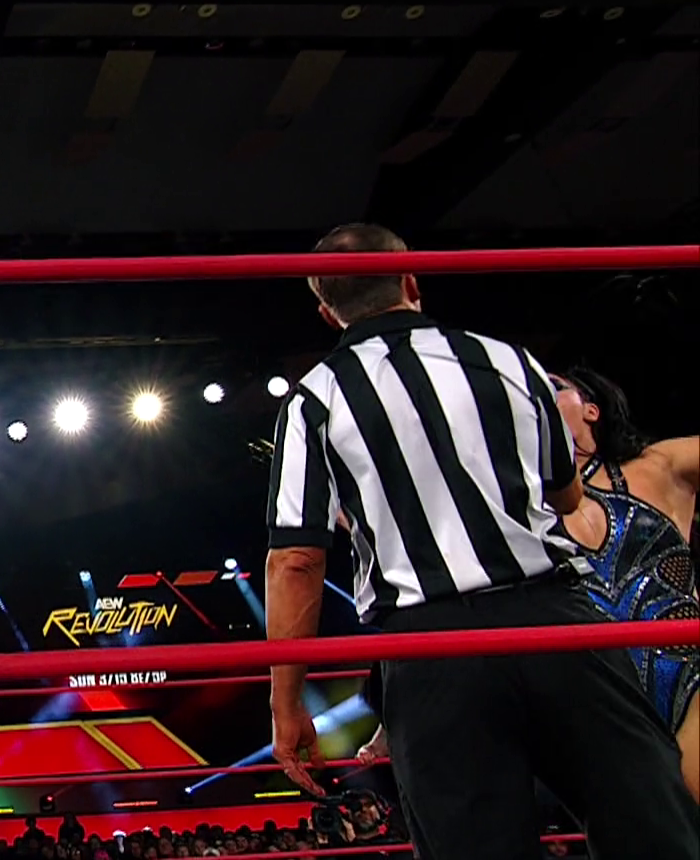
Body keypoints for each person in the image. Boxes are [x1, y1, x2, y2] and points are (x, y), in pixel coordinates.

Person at [262, 223, 698, 859]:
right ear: (411, 281)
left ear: (327, 312)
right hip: (554, 624)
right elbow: (567, 494)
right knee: (652, 828)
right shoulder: (507, 360)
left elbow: (296, 559)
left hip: (430, 651)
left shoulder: (315, 400)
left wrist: (286, 701)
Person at [551, 367, 700, 800]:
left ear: (590, 409)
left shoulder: (658, 466)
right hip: (598, 699)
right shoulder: (519, 507)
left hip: (689, 675)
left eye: (552, 387)